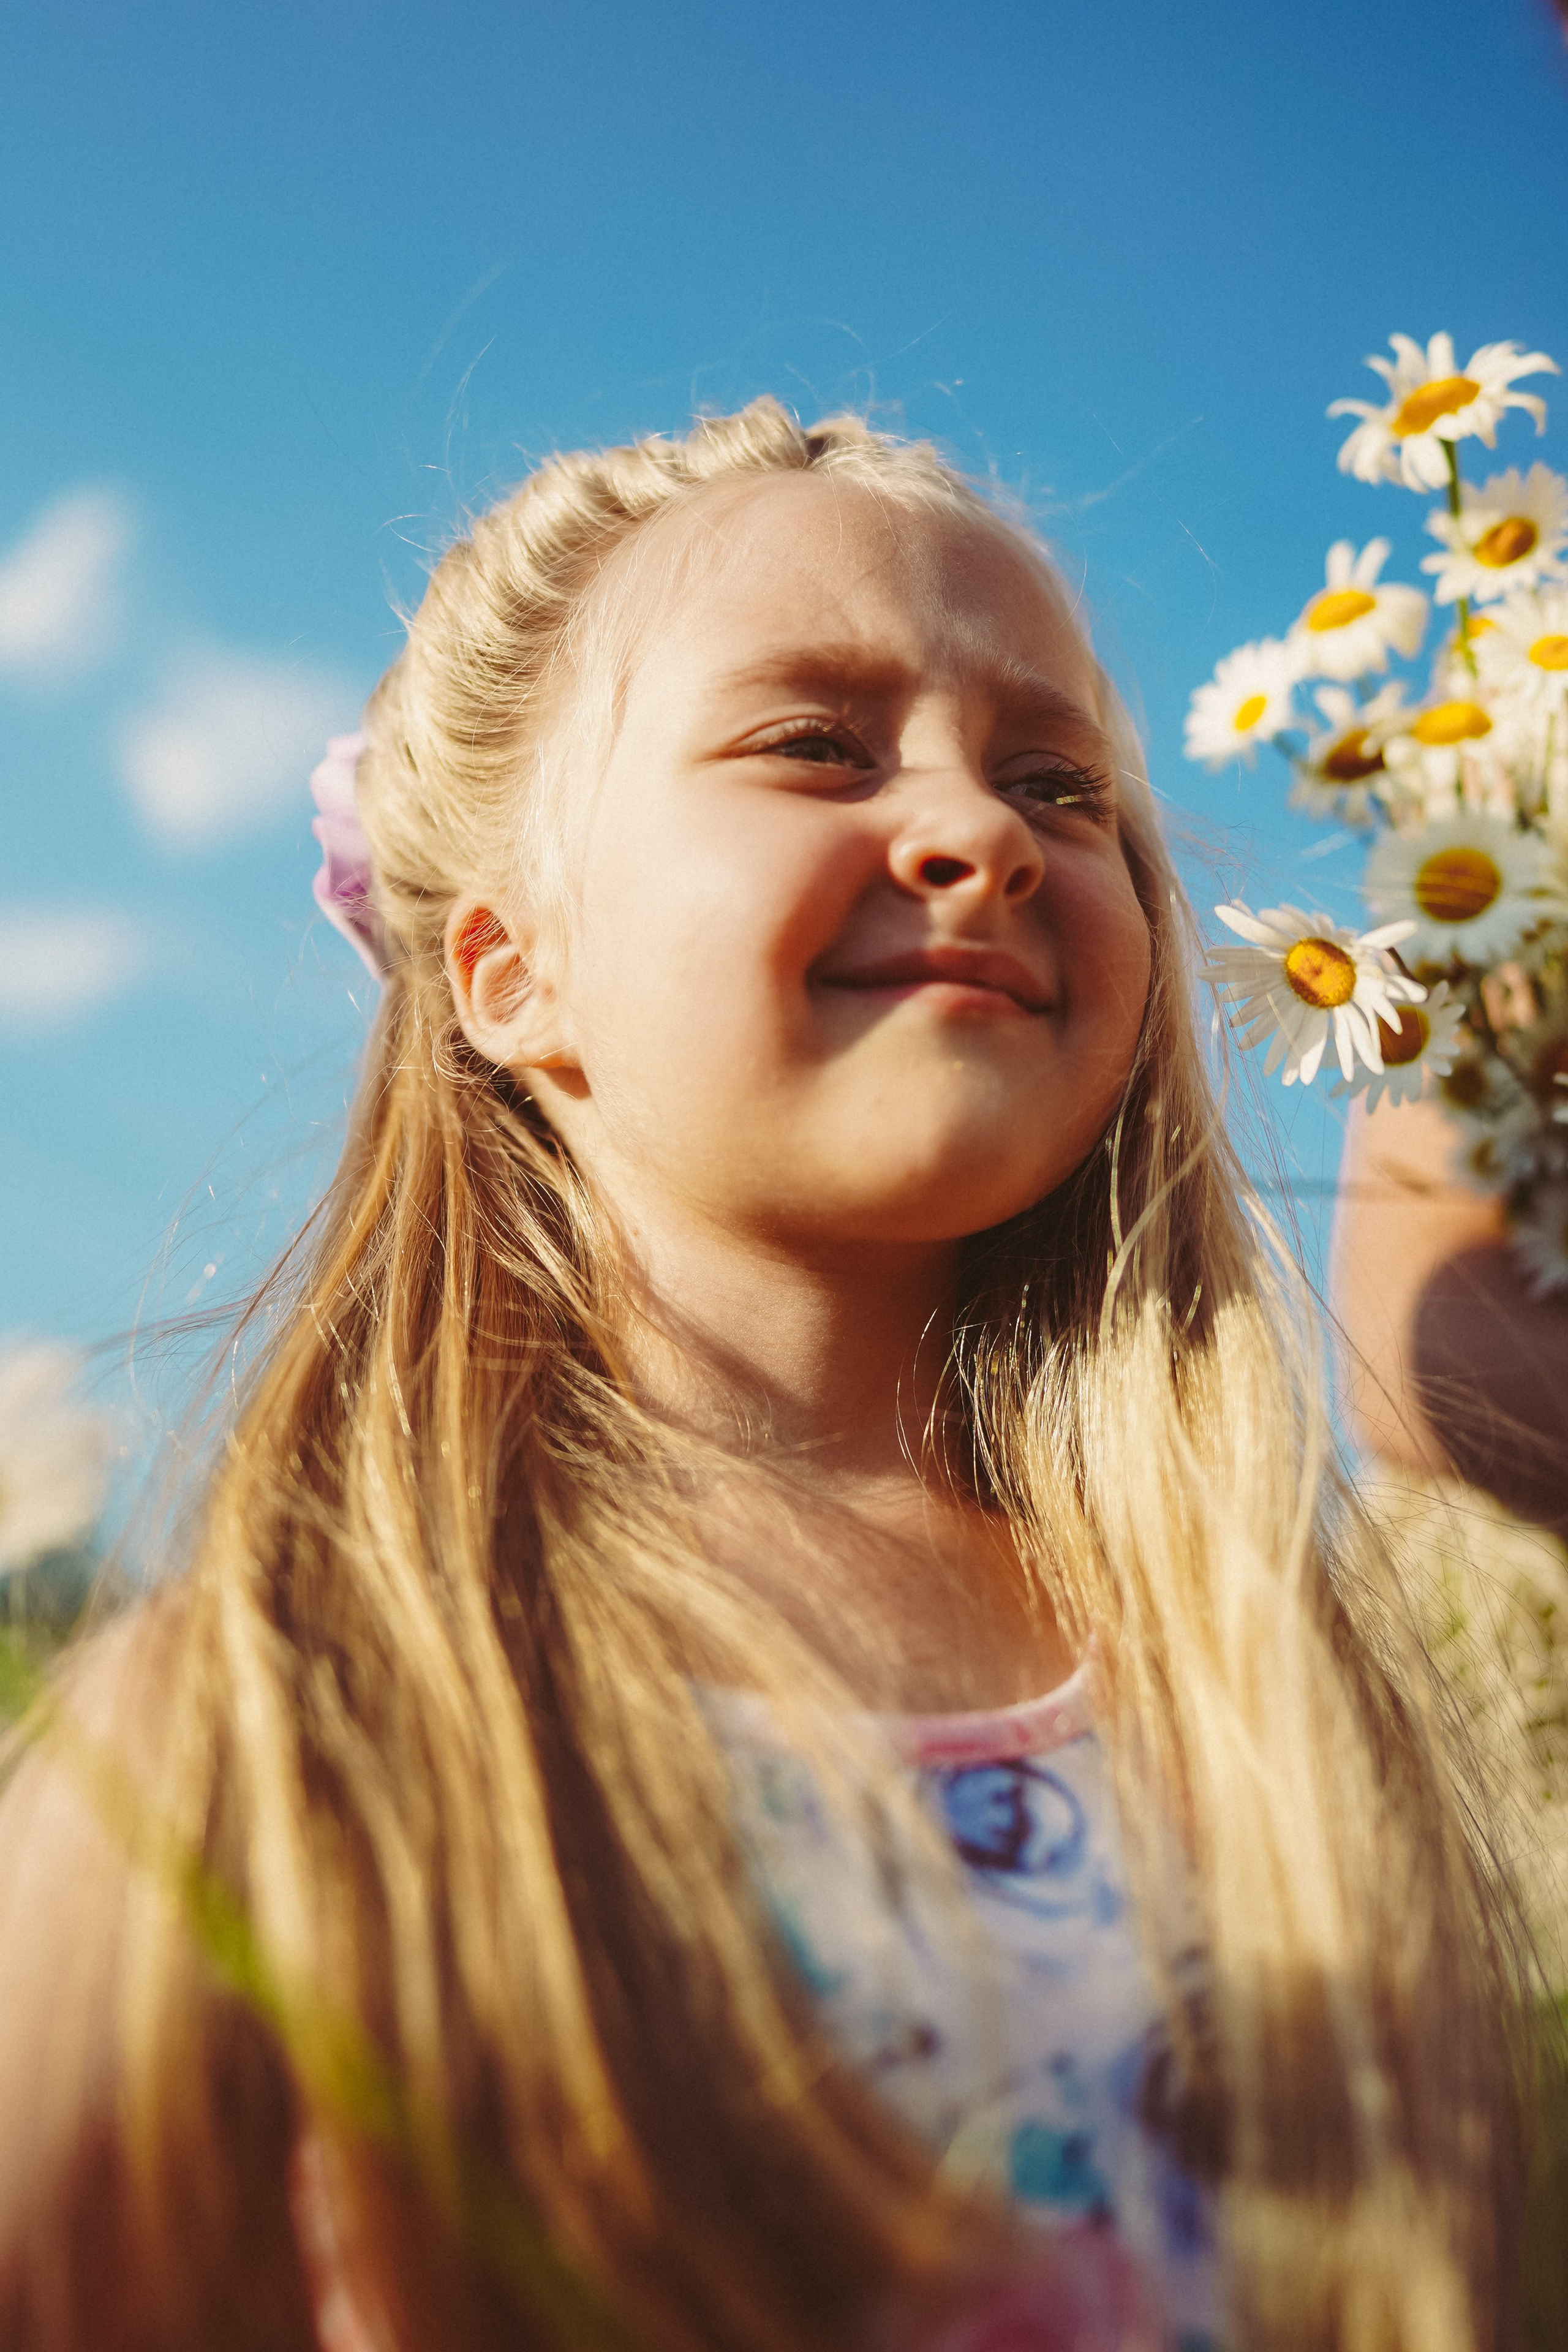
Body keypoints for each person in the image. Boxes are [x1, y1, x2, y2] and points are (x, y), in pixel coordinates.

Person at [0, 401, 1536, 2352]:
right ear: (505, 970)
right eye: (814, 743)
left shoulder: (1276, 1704)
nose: (982, 829)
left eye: (1064, 788)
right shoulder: (266, 1739)